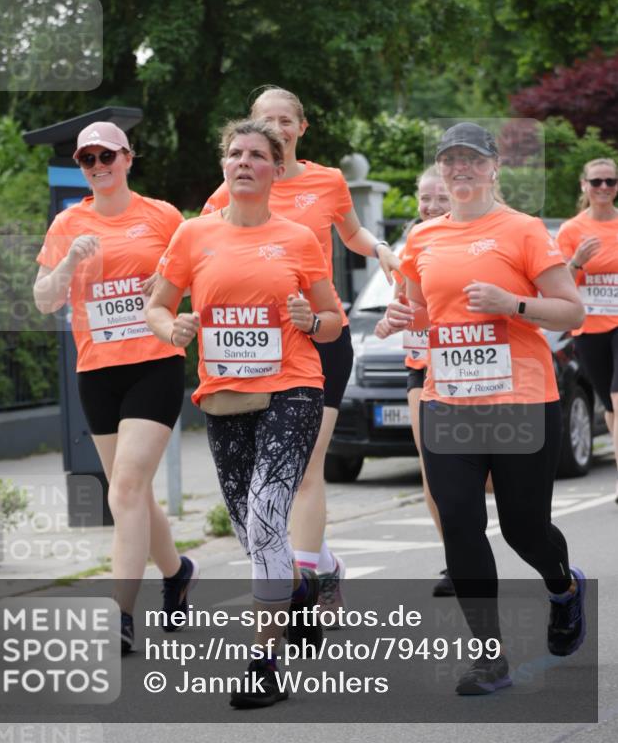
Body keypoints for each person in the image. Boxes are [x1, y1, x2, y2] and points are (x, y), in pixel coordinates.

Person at [377, 121, 586, 696]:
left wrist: (512, 303)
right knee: (461, 527)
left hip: (520, 400)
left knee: (523, 529)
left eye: (472, 159)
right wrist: (399, 320)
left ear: (495, 167)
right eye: (450, 161)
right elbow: (420, 312)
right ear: (441, 169)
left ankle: (563, 588)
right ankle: (488, 657)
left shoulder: (521, 231)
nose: (460, 169)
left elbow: (572, 313)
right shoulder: (422, 238)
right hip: (449, 402)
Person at [146, 117, 342, 709]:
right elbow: (156, 304)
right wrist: (172, 327)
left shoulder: (300, 239)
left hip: (294, 388)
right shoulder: (192, 236)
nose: (245, 163)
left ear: (276, 169)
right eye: (235, 153)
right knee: (249, 530)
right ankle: (304, 586)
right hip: (225, 395)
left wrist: (314, 321)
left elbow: (332, 320)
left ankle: (264, 663)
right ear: (223, 165)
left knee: (264, 517)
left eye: (258, 155)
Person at [202, 86, 399, 617]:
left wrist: (381, 248)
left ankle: (304, 583)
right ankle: (321, 564)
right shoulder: (230, 190)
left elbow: (352, 232)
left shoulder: (327, 181)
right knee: (261, 487)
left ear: (301, 128)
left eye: (287, 120)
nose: (279, 127)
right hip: (253, 353)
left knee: (310, 464)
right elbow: (199, 249)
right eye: (268, 119)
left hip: (318, 336)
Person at [33, 121, 197, 654]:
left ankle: (120, 615)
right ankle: (176, 571)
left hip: (154, 362)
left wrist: (169, 286)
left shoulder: (162, 216)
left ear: (128, 157)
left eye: (108, 155)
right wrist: (66, 262)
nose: (99, 166)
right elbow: (43, 299)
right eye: (88, 159)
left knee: (123, 489)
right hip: (97, 371)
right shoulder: (68, 222)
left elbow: (198, 271)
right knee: (132, 492)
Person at [376, 166, 454, 595]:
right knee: (432, 464)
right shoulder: (412, 246)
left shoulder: (471, 240)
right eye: (425, 198)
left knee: (481, 469)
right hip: (421, 364)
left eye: (440, 197)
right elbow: (400, 304)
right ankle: (456, 559)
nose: (431, 206)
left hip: (465, 367)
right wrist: (390, 322)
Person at [557, 158, 618, 499]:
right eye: (597, 182)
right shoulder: (571, 231)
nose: (604, 188)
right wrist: (577, 260)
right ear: (584, 186)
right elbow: (560, 285)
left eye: (611, 181)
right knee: (610, 407)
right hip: (590, 327)